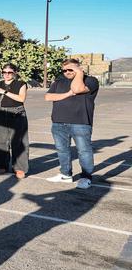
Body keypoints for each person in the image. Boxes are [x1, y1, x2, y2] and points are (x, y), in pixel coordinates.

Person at [45, 58, 99, 189]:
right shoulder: (59, 81)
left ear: (79, 68)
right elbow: (48, 97)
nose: (67, 72)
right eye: (65, 70)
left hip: (80, 123)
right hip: (58, 122)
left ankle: (86, 177)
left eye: (71, 69)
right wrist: (68, 94)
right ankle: (65, 174)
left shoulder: (91, 81)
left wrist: (79, 74)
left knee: (84, 151)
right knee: (62, 150)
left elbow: (78, 88)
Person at [0, 63, 29, 179]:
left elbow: (21, 99)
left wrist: (4, 92)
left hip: (17, 113)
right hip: (1, 114)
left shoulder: (21, 84)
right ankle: (2, 165)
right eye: (4, 72)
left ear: (15, 73)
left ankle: (19, 168)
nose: (6, 75)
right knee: (0, 141)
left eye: (9, 72)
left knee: (19, 142)